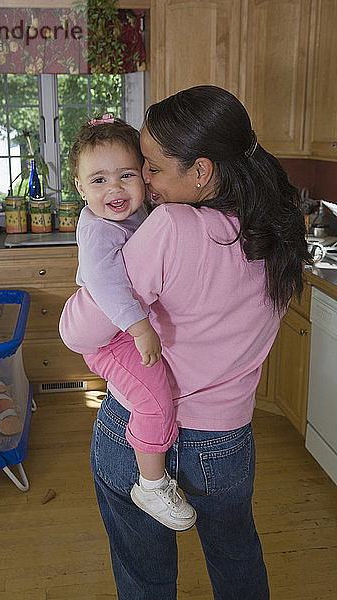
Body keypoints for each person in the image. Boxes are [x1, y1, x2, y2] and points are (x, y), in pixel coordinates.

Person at [59, 85, 312, 599]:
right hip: (227, 438)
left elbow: (77, 331)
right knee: (238, 559)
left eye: (149, 168)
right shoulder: (279, 233)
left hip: (141, 428)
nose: (143, 183)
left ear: (200, 171)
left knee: (145, 574)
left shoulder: (172, 227)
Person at [67, 114, 196, 531]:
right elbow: (105, 284)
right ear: (80, 188)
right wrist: (140, 327)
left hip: (123, 329)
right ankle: (151, 483)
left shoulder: (135, 214)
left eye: (126, 175)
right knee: (154, 398)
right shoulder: (99, 230)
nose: (115, 189)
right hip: (111, 339)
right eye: (99, 180)